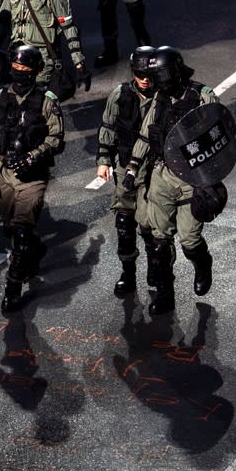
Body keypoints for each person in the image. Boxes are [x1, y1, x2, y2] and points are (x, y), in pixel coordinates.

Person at [124, 46, 219, 314]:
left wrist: (211, 178)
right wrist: (132, 168)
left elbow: (218, 132)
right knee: (158, 240)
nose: (161, 80)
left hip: (192, 177)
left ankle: (202, 262)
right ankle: (166, 295)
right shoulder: (159, 98)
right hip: (162, 175)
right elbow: (146, 135)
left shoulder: (202, 96)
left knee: (189, 239)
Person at [0, 45, 64, 311]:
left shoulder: (47, 100)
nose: (19, 73)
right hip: (3, 172)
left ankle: (12, 288)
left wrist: (34, 156)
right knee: (11, 229)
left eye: (25, 69)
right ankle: (34, 250)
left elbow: (56, 138)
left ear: (36, 71)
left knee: (22, 233)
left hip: (32, 177)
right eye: (16, 68)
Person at [95, 46, 157, 295]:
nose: (145, 79)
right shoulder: (119, 95)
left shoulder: (164, 96)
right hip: (124, 166)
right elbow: (108, 127)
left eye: (149, 73)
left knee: (152, 226)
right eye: (140, 73)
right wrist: (103, 160)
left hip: (154, 169)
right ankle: (128, 273)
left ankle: (157, 269)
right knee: (124, 222)